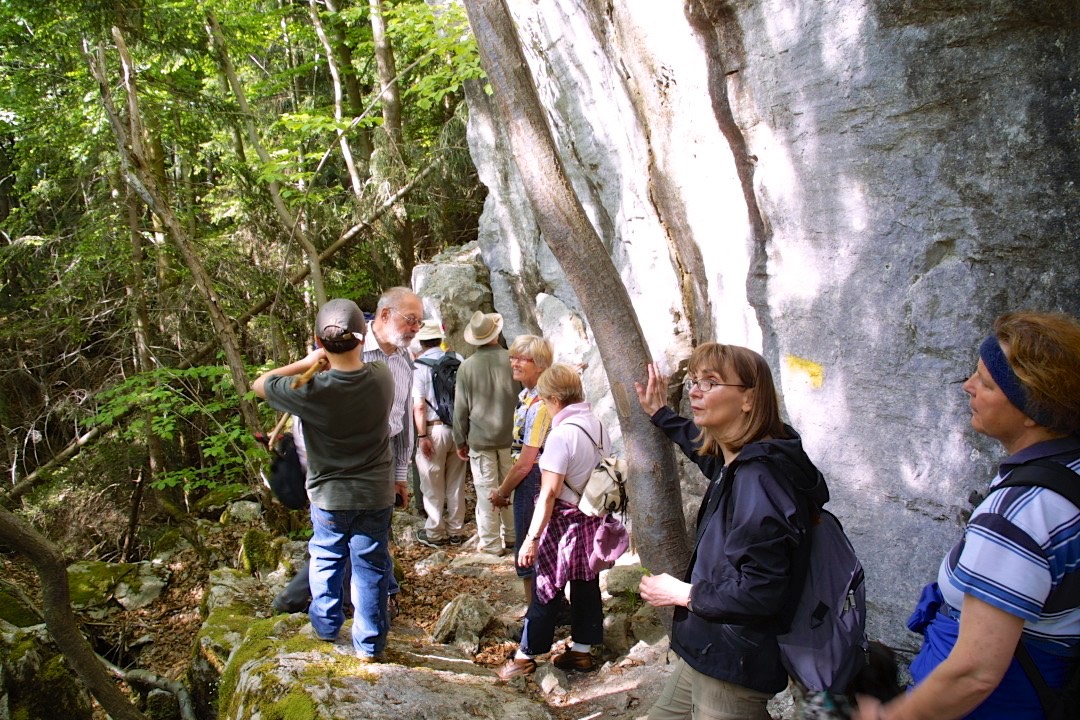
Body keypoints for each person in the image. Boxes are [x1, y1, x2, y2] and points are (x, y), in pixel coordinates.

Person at [854, 311, 1080, 720]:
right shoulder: (1070, 472)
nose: (967, 387)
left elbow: (973, 674)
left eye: (987, 384)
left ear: (1034, 410)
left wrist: (890, 717)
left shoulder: (1019, 514)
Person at [634, 343, 829, 719]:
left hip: (734, 658)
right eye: (694, 381)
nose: (694, 390)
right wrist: (662, 415)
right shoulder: (744, 458)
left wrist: (683, 593)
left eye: (711, 382)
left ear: (748, 399)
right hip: (711, 648)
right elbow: (709, 458)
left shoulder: (760, 477)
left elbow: (761, 593)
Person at [253, 299, 395, 662]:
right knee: (371, 563)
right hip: (375, 492)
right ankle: (370, 643)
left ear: (319, 340)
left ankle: (327, 625)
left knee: (327, 555)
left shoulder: (309, 391)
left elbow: (261, 384)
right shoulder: (382, 376)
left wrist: (308, 362)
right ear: (362, 338)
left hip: (329, 495)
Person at [271, 287, 422, 615]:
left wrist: (400, 474)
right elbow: (305, 417)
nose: (414, 328)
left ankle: (375, 600)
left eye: (419, 324)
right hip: (332, 467)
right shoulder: (341, 352)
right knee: (336, 540)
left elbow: (402, 421)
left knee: (366, 535)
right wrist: (316, 468)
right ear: (384, 315)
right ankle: (299, 601)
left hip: (378, 465)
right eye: (410, 320)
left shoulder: (402, 360)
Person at [496, 363, 611, 680]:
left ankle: (526, 656)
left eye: (545, 399)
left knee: (546, 584)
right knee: (587, 583)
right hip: (593, 515)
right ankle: (582, 652)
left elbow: (548, 494)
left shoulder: (561, 436)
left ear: (555, 399)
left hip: (562, 520)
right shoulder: (597, 425)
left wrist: (532, 538)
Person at [490, 335, 554, 603]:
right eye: (512, 357)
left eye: (520, 359)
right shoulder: (528, 396)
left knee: (529, 547)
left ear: (539, 364)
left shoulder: (540, 404)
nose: (513, 363)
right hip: (534, 477)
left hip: (534, 479)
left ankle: (535, 614)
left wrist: (502, 492)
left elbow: (527, 461)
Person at [453, 310, 519, 555]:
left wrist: (460, 440)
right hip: (512, 438)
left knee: (485, 490)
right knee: (510, 487)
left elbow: (460, 409)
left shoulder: (466, 368)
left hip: (480, 440)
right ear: (496, 332)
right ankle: (513, 536)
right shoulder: (513, 359)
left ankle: (492, 543)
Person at [412, 319, 468, 547]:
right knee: (456, 481)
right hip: (458, 428)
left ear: (421, 341)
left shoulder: (418, 367)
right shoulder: (458, 360)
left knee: (432, 481)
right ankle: (456, 530)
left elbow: (419, 406)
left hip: (433, 428)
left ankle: (435, 532)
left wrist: (422, 435)